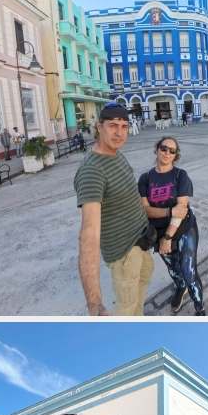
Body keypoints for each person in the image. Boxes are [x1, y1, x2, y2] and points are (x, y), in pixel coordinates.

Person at [76, 103, 153, 316]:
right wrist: (94, 303)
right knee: (126, 308)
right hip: (124, 254)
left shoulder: (115, 153)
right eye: (112, 126)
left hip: (141, 241)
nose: (119, 133)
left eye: (124, 126)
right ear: (99, 127)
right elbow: (89, 235)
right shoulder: (92, 171)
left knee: (138, 298)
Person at [138, 137, 205, 316]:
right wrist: (169, 211)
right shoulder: (145, 178)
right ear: (157, 149)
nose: (167, 153)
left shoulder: (180, 176)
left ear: (176, 155)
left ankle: (200, 309)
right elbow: (145, 210)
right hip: (158, 232)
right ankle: (180, 288)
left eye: (172, 151)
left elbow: (181, 209)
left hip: (184, 228)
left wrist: (168, 237)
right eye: (164, 148)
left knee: (188, 271)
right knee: (174, 270)